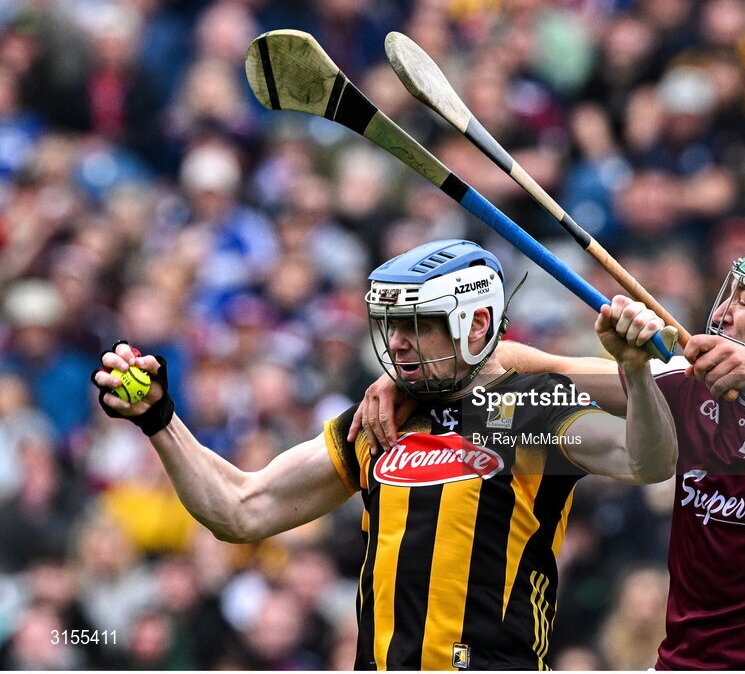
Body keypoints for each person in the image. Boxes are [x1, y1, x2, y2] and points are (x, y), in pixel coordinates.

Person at [91, 239, 678, 671]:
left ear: (475, 325)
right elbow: (241, 509)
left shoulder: (536, 407)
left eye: (417, 324)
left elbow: (647, 462)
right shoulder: (380, 420)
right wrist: (160, 420)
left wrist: (634, 371)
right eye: (392, 324)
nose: (396, 342)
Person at [355, 238, 745, 669]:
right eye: (729, 294)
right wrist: (406, 377)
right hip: (686, 665)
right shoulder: (691, 388)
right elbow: (524, 362)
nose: (724, 312)